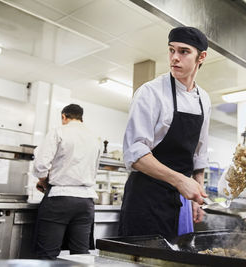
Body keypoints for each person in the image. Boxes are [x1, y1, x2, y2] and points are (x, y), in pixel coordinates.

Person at [119, 26, 211, 240]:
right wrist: (180, 181)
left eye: (184, 51)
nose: (174, 58)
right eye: (171, 50)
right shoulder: (150, 92)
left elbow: (199, 153)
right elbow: (135, 154)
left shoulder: (203, 99)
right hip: (145, 198)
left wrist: (197, 196)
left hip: (178, 200)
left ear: (201, 57)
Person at [33, 104, 101, 259]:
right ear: (81, 117)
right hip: (86, 202)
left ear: (64, 116)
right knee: (81, 255)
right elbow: (94, 169)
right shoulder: (95, 138)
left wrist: (43, 181)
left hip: (60, 198)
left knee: (47, 254)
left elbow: (41, 165)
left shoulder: (59, 131)